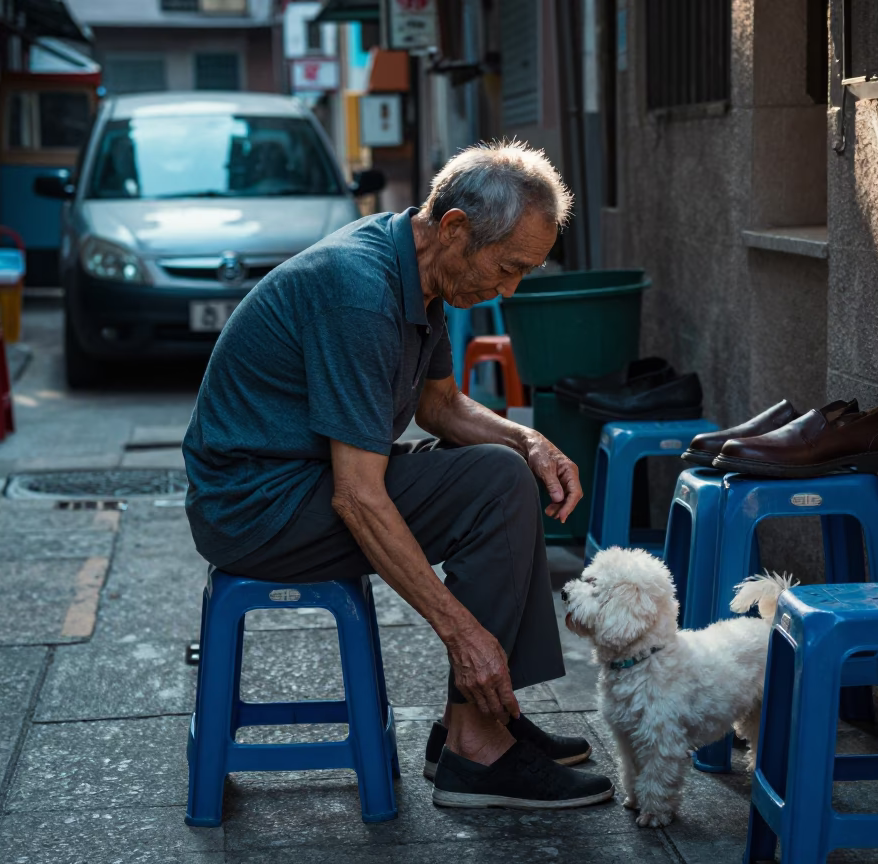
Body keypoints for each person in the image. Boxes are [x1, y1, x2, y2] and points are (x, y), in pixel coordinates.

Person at [183, 141, 614, 810]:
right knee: (494, 489)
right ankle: (476, 747)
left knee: (502, 469)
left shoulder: (420, 269)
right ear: (454, 228)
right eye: (506, 269)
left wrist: (526, 438)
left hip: (301, 481)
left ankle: (480, 724)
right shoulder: (359, 294)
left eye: (524, 273)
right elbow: (358, 494)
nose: (508, 291)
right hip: (255, 508)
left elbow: (438, 405)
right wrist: (462, 634)